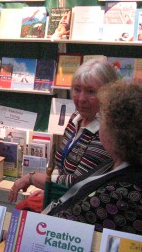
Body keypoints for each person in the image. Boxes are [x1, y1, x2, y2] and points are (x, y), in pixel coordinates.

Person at [8, 59, 118, 208]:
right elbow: (61, 167)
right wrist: (49, 190)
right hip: (63, 198)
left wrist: (32, 178)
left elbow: (77, 182)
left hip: (81, 207)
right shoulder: (76, 118)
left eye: (91, 91)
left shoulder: (106, 132)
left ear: (108, 94)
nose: (81, 99)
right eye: (77, 89)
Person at [45, 81, 142, 235]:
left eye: (102, 117)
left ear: (116, 130)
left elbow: (59, 230)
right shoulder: (116, 163)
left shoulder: (120, 193)